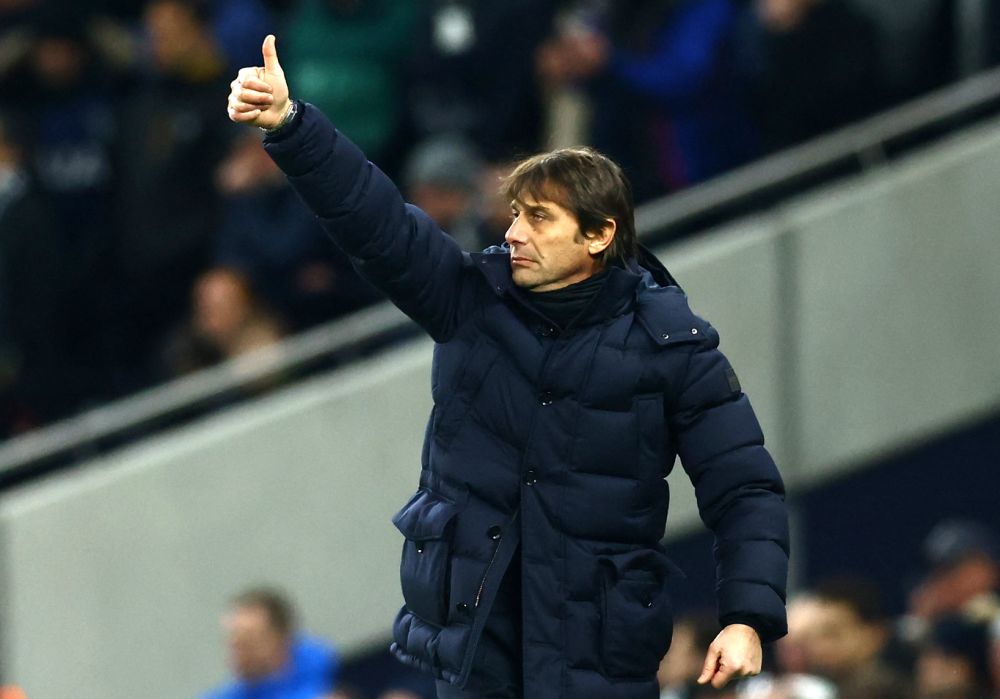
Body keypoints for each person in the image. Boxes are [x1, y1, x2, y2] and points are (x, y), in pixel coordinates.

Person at [227, 35, 789, 698]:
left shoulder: (674, 345)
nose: (514, 233)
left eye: (540, 219)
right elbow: (376, 222)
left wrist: (747, 617)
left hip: (598, 659)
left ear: (599, 233)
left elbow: (744, 486)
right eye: (516, 214)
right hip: (474, 647)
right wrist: (293, 126)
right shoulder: (468, 297)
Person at [202, 587, 340, 699]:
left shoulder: (332, 670)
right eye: (233, 642)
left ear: (280, 641)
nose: (237, 654)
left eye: (249, 642)